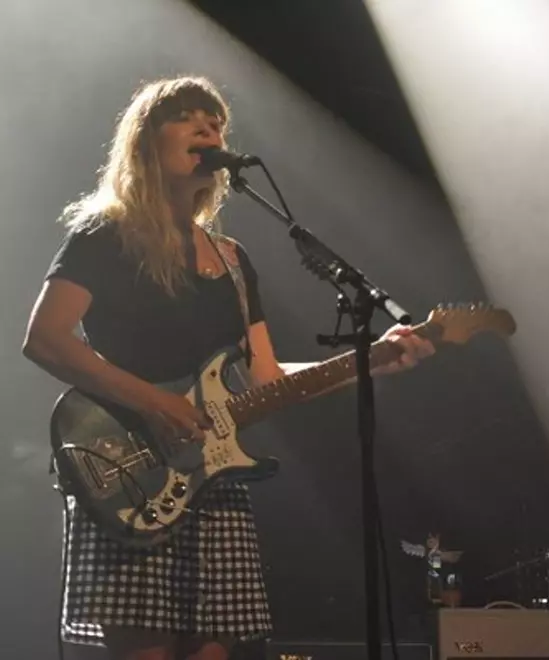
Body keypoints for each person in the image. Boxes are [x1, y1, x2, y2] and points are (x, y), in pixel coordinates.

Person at [22, 76, 436, 660]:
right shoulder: (104, 235)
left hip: (213, 484)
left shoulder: (233, 260)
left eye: (214, 121)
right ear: (145, 141)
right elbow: (45, 339)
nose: (207, 128)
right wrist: (153, 400)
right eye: (186, 117)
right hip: (127, 468)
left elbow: (266, 381)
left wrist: (373, 361)